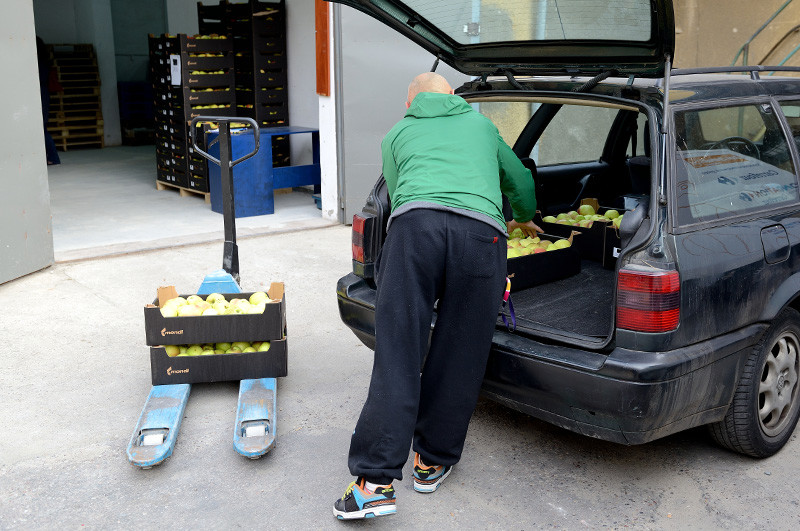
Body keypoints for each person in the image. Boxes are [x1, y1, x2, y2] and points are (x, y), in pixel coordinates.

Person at [333, 72, 540, 520]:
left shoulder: (397, 134)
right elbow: (520, 183)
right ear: (453, 98)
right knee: (461, 350)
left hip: (413, 235)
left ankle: (373, 484)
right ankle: (432, 462)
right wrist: (522, 216)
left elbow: (398, 188)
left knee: (398, 354)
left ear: (412, 103)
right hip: (481, 239)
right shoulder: (482, 127)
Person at [37, 37, 61, 166]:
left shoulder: (39, 63)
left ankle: (53, 157)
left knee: (41, 128)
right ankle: (52, 157)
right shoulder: (44, 61)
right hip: (43, 94)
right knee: (42, 127)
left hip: (40, 94)